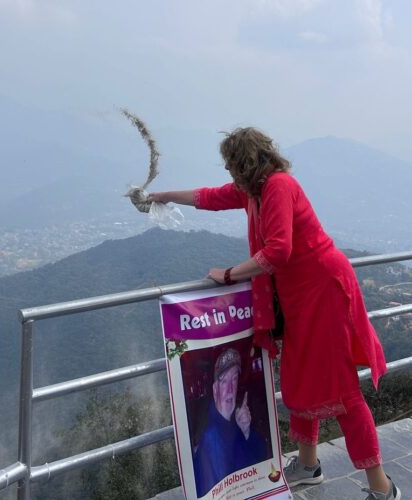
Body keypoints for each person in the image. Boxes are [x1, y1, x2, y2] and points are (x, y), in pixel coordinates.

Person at [148, 127, 401, 500]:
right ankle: (309, 466)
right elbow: (211, 197)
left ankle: (383, 488)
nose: (228, 171)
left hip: (324, 292)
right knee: (300, 380)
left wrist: (230, 274)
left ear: (245, 163)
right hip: (299, 297)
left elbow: (280, 250)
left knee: (343, 390)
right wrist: (164, 196)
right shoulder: (253, 191)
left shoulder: (278, 187)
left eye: (231, 164)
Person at [193, 348, 268, 497]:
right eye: (224, 381)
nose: (230, 389)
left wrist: (247, 432)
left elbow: (263, 458)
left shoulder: (236, 419)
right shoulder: (210, 437)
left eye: (234, 379)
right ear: (215, 389)